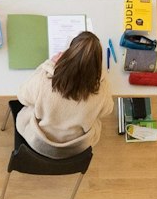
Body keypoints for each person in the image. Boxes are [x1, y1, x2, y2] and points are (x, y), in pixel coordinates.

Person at [14, 30, 108, 158]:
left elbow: (22, 97)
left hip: (39, 140)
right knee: (94, 117)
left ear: (67, 56)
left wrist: (49, 65)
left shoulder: (45, 81)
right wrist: (102, 79)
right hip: (75, 147)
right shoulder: (100, 92)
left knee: (33, 104)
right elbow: (106, 111)